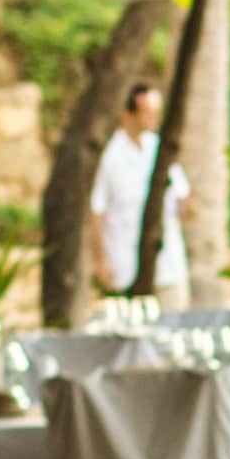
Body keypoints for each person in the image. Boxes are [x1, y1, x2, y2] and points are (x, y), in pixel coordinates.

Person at [90, 80, 191, 305]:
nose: (154, 118)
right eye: (147, 112)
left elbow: (183, 196)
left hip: (168, 264)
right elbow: (97, 210)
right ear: (128, 115)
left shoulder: (160, 149)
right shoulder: (110, 156)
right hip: (125, 263)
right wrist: (100, 260)